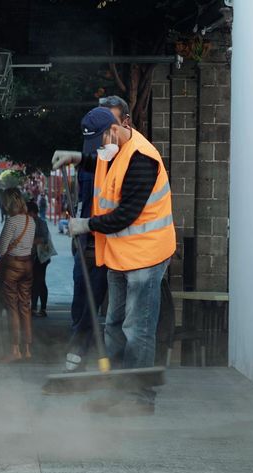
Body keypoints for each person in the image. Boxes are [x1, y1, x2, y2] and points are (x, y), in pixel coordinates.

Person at [55, 106, 175, 414]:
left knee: (138, 329)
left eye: (98, 143)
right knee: (114, 326)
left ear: (115, 129)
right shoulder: (111, 150)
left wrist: (86, 225)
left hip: (146, 257)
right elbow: (102, 158)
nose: (96, 151)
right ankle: (115, 391)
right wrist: (77, 157)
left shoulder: (142, 160)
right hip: (120, 255)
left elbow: (125, 215)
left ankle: (139, 399)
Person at [53, 96, 129, 373]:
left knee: (110, 307)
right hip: (87, 243)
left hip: (118, 245)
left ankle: (87, 353)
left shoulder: (130, 158)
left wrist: (89, 225)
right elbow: (91, 170)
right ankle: (79, 357)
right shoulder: (96, 157)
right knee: (82, 300)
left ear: (122, 124)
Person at [0, 188, 35, 363]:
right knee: (25, 307)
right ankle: (27, 349)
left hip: (12, 267)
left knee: (13, 308)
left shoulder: (11, 222)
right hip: (27, 265)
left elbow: (2, 249)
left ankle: (15, 349)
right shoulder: (31, 221)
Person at [27, 200, 53, 317]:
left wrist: (31, 241)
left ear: (32, 212)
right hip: (31, 256)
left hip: (41, 257)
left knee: (39, 281)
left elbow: (44, 239)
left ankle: (38, 308)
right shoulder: (28, 223)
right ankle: (35, 307)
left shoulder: (41, 223)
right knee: (36, 281)